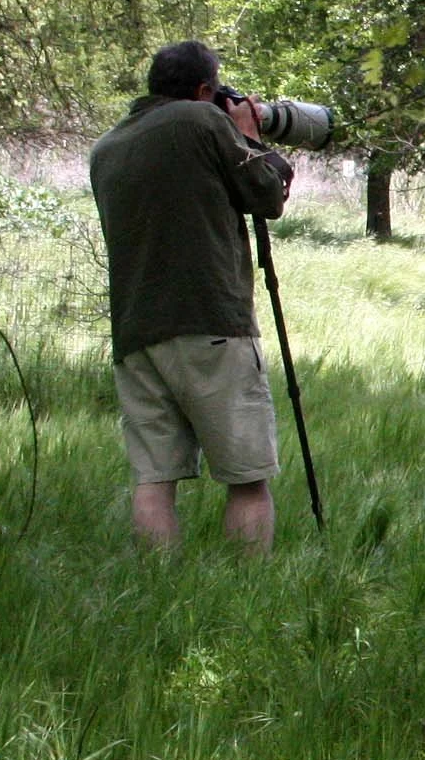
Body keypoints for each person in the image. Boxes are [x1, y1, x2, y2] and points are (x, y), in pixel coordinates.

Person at [89, 41, 294, 553]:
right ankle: (249, 594)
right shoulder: (202, 122)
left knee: (154, 477)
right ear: (205, 89)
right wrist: (246, 133)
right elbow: (267, 195)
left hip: (136, 330)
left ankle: (161, 590)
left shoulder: (107, 147)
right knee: (247, 476)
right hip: (210, 321)